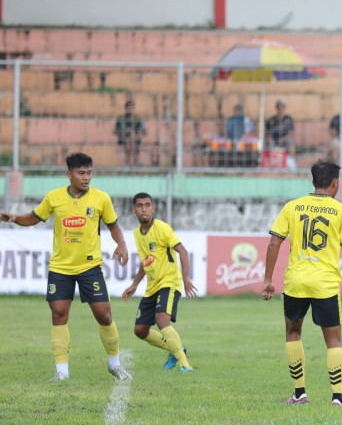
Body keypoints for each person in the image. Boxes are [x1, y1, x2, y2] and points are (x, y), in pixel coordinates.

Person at [0, 152, 131, 381]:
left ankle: (114, 365)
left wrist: (121, 244)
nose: (86, 177)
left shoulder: (101, 198)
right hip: (60, 268)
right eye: (81, 173)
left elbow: (114, 226)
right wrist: (14, 218)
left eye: (89, 173)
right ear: (69, 174)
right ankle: (62, 372)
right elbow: (34, 217)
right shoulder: (54, 197)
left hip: (90, 267)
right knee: (59, 315)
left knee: (104, 315)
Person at [261, 161, 342, 407]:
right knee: (333, 340)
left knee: (293, 332)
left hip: (296, 281)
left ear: (313, 180)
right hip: (325, 284)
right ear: (335, 183)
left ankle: (299, 393)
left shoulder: (292, 207)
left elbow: (274, 243)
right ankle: (337, 398)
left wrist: (268, 280)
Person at [120, 192, 198, 372]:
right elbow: (145, 261)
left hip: (169, 282)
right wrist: (134, 284)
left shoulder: (162, 228)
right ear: (133, 210)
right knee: (140, 330)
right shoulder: (137, 234)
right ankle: (175, 349)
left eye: (147, 205)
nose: (144, 209)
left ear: (152, 208)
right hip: (152, 286)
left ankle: (185, 365)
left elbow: (183, 252)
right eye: (140, 206)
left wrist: (186, 279)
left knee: (162, 319)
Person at [114, 99, 145, 167]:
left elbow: (143, 131)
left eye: (131, 108)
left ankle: (135, 161)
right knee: (128, 140)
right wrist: (126, 132)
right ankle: (128, 162)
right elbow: (116, 131)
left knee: (134, 139)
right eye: (128, 108)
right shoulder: (121, 118)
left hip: (135, 138)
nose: (129, 110)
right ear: (125, 108)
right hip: (123, 138)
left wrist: (136, 135)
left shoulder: (137, 118)